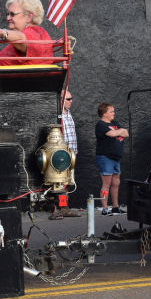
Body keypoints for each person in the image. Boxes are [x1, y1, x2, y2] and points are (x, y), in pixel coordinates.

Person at [0, 0, 54, 66]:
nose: (8, 18)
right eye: (7, 14)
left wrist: (1, 32)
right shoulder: (38, 33)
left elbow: (22, 38)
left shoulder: (34, 32)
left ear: (28, 17)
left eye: (12, 14)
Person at [49, 90, 81, 219]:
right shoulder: (57, 114)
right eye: (68, 99)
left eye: (71, 98)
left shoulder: (68, 113)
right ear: (61, 99)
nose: (71, 101)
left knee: (67, 182)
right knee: (56, 182)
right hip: (60, 155)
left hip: (71, 153)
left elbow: (71, 133)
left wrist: (75, 149)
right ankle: (55, 210)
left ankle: (64, 208)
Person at [96, 102, 128, 216]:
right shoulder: (100, 125)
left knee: (116, 182)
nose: (114, 113)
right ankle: (105, 208)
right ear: (104, 114)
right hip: (105, 158)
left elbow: (126, 133)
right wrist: (119, 132)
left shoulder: (114, 123)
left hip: (116, 158)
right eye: (111, 111)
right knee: (106, 183)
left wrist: (117, 132)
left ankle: (115, 207)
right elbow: (112, 134)